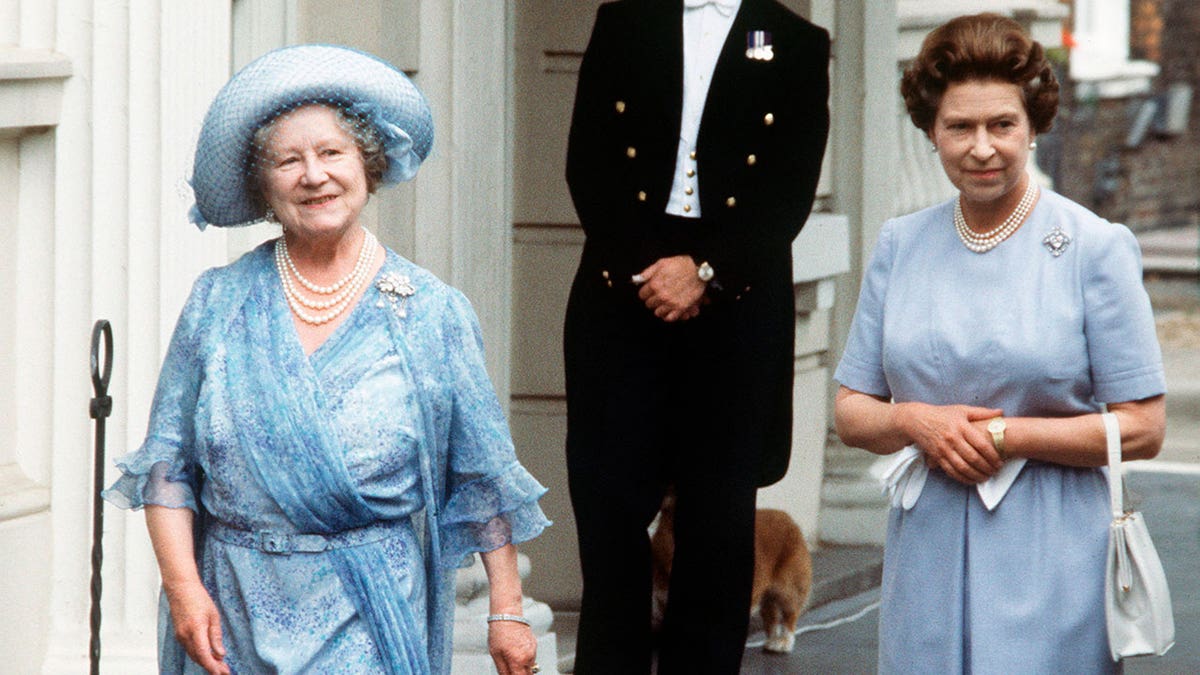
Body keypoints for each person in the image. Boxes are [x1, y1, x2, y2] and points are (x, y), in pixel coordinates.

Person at [103, 44, 550, 675]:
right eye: (288, 161)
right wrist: (183, 589)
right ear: (264, 186)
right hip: (232, 612)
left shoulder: (432, 312)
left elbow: (479, 473)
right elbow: (167, 466)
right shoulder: (218, 301)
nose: (313, 176)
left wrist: (506, 608)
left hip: (369, 607)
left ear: (369, 166)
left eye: (333, 153)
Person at [833, 13, 1167, 673]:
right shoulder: (902, 244)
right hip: (925, 548)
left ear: (1034, 126)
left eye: (1001, 125)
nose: (982, 147)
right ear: (931, 131)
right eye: (960, 126)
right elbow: (851, 410)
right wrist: (914, 421)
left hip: (1052, 549)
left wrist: (1003, 437)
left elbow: (1144, 427)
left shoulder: (1093, 246)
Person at [563, 0, 829, 671]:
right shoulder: (623, 21)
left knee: (716, 537)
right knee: (612, 525)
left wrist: (707, 272)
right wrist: (651, 272)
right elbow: (588, 165)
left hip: (735, 306)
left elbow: (788, 190)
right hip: (623, 295)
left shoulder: (794, 41)